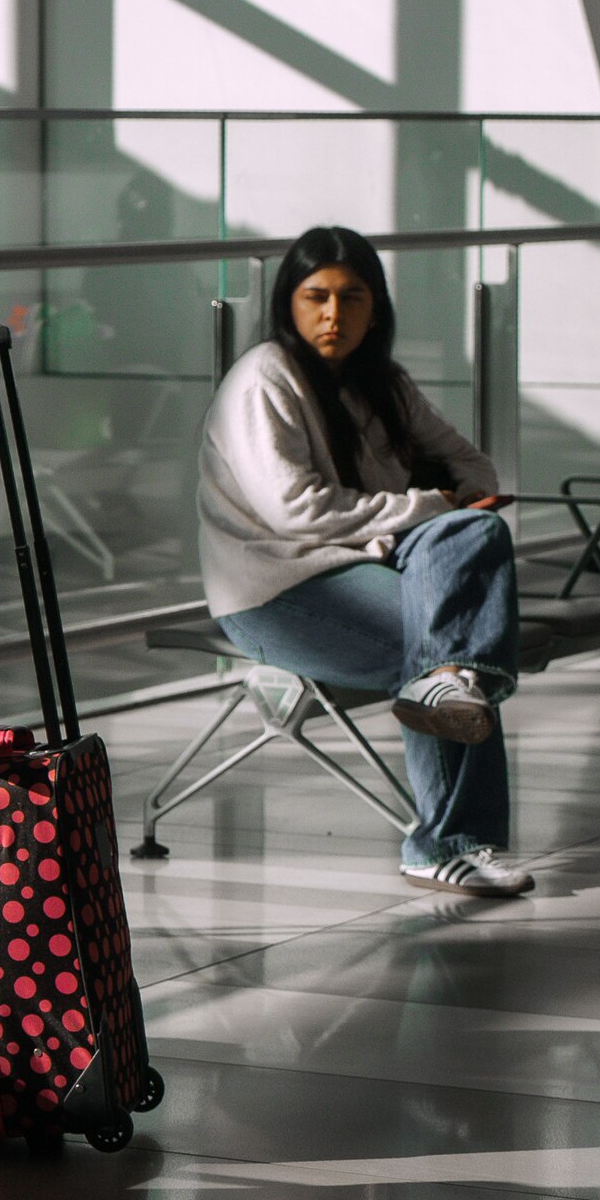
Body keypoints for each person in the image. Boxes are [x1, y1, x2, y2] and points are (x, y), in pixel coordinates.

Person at [197, 226, 531, 898]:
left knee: (476, 537)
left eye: (353, 298)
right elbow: (299, 512)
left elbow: (475, 467)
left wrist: (443, 505)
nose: (333, 314)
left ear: (376, 308)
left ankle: (455, 790)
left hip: (370, 566)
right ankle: (446, 844)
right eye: (315, 296)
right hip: (276, 589)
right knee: (441, 647)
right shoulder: (266, 377)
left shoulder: (384, 384)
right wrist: (422, 505)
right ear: (287, 302)